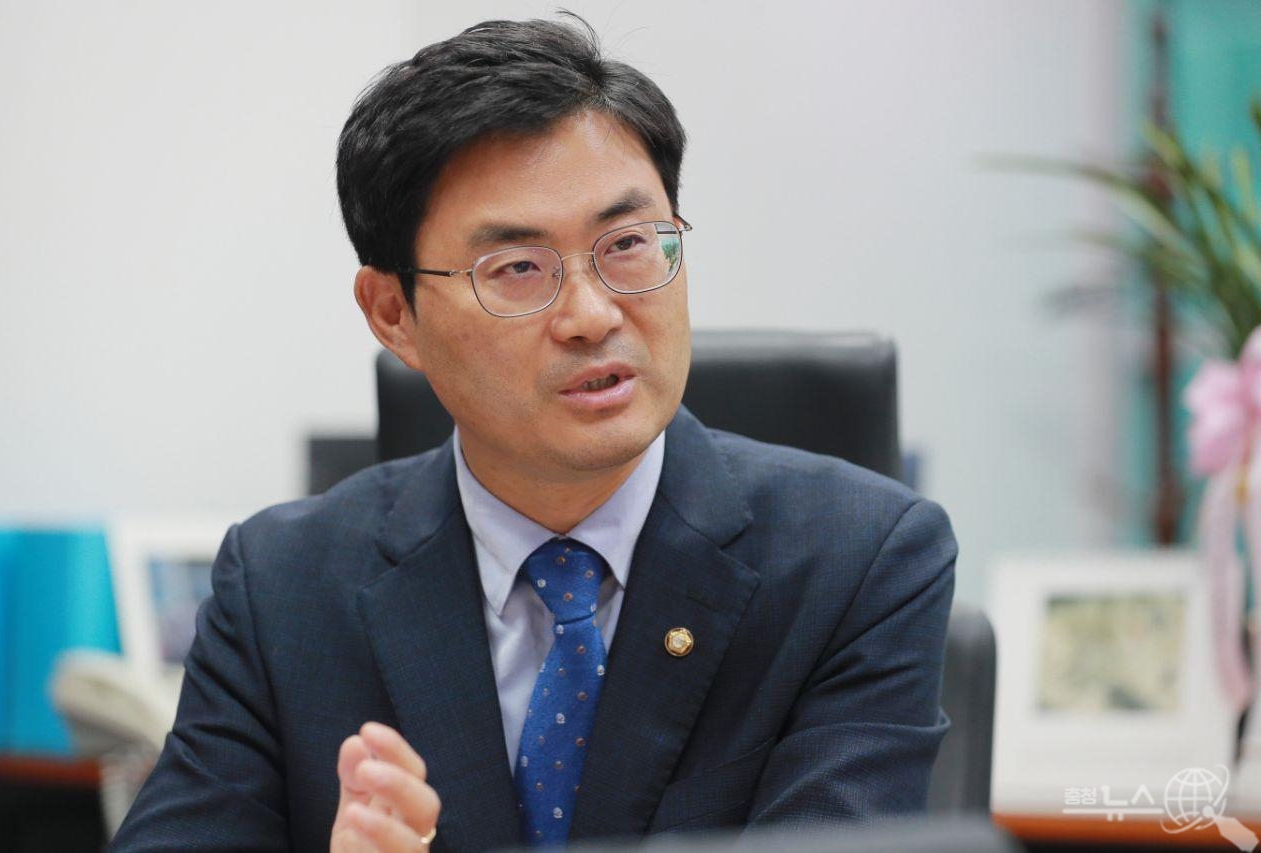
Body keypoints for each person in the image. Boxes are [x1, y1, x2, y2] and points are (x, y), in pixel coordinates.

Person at [111, 15, 957, 853]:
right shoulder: (281, 588)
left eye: (629, 243)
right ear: (394, 312)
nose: (592, 315)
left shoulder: (860, 561)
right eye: (517, 268)